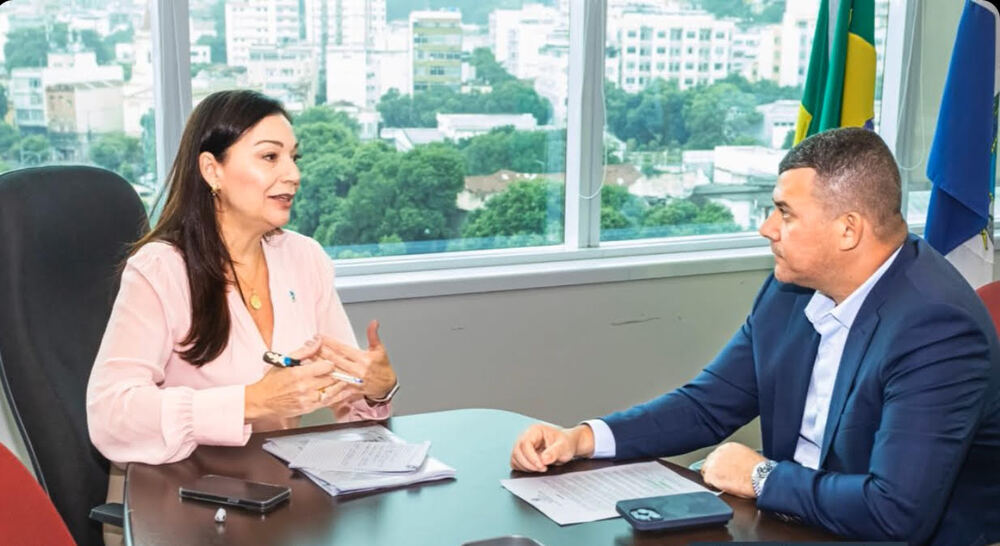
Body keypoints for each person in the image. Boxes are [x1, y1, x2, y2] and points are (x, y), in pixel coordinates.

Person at [510, 127, 1000, 545]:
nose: (767, 228)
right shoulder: (791, 289)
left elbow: (897, 513)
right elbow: (708, 405)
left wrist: (760, 476)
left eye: (785, 213)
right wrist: (583, 438)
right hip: (791, 521)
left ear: (848, 230)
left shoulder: (937, 328)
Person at [87, 89, 400, 468]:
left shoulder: (305, 258)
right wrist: (253, 401)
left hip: (277, 497)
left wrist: (374, 388)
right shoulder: (160, 269)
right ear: (211, 170)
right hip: (179, 501)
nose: (294, 174)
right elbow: (110, 414)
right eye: (270, 157)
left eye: (293, 157)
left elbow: (346, 399)